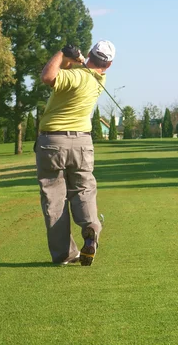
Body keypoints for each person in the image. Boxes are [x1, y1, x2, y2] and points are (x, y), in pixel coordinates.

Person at [35, 40, 115, 266]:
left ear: (90, 53)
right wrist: (76, 59)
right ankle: (90, 226)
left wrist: (61, 53)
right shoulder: (99, 79)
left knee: (54, 198)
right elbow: (75, 69)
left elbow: (48, 77)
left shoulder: (76, 77)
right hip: (83, 142)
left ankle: (65, 254)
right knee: (83, 189)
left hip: (53, 141)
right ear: (108, 65)